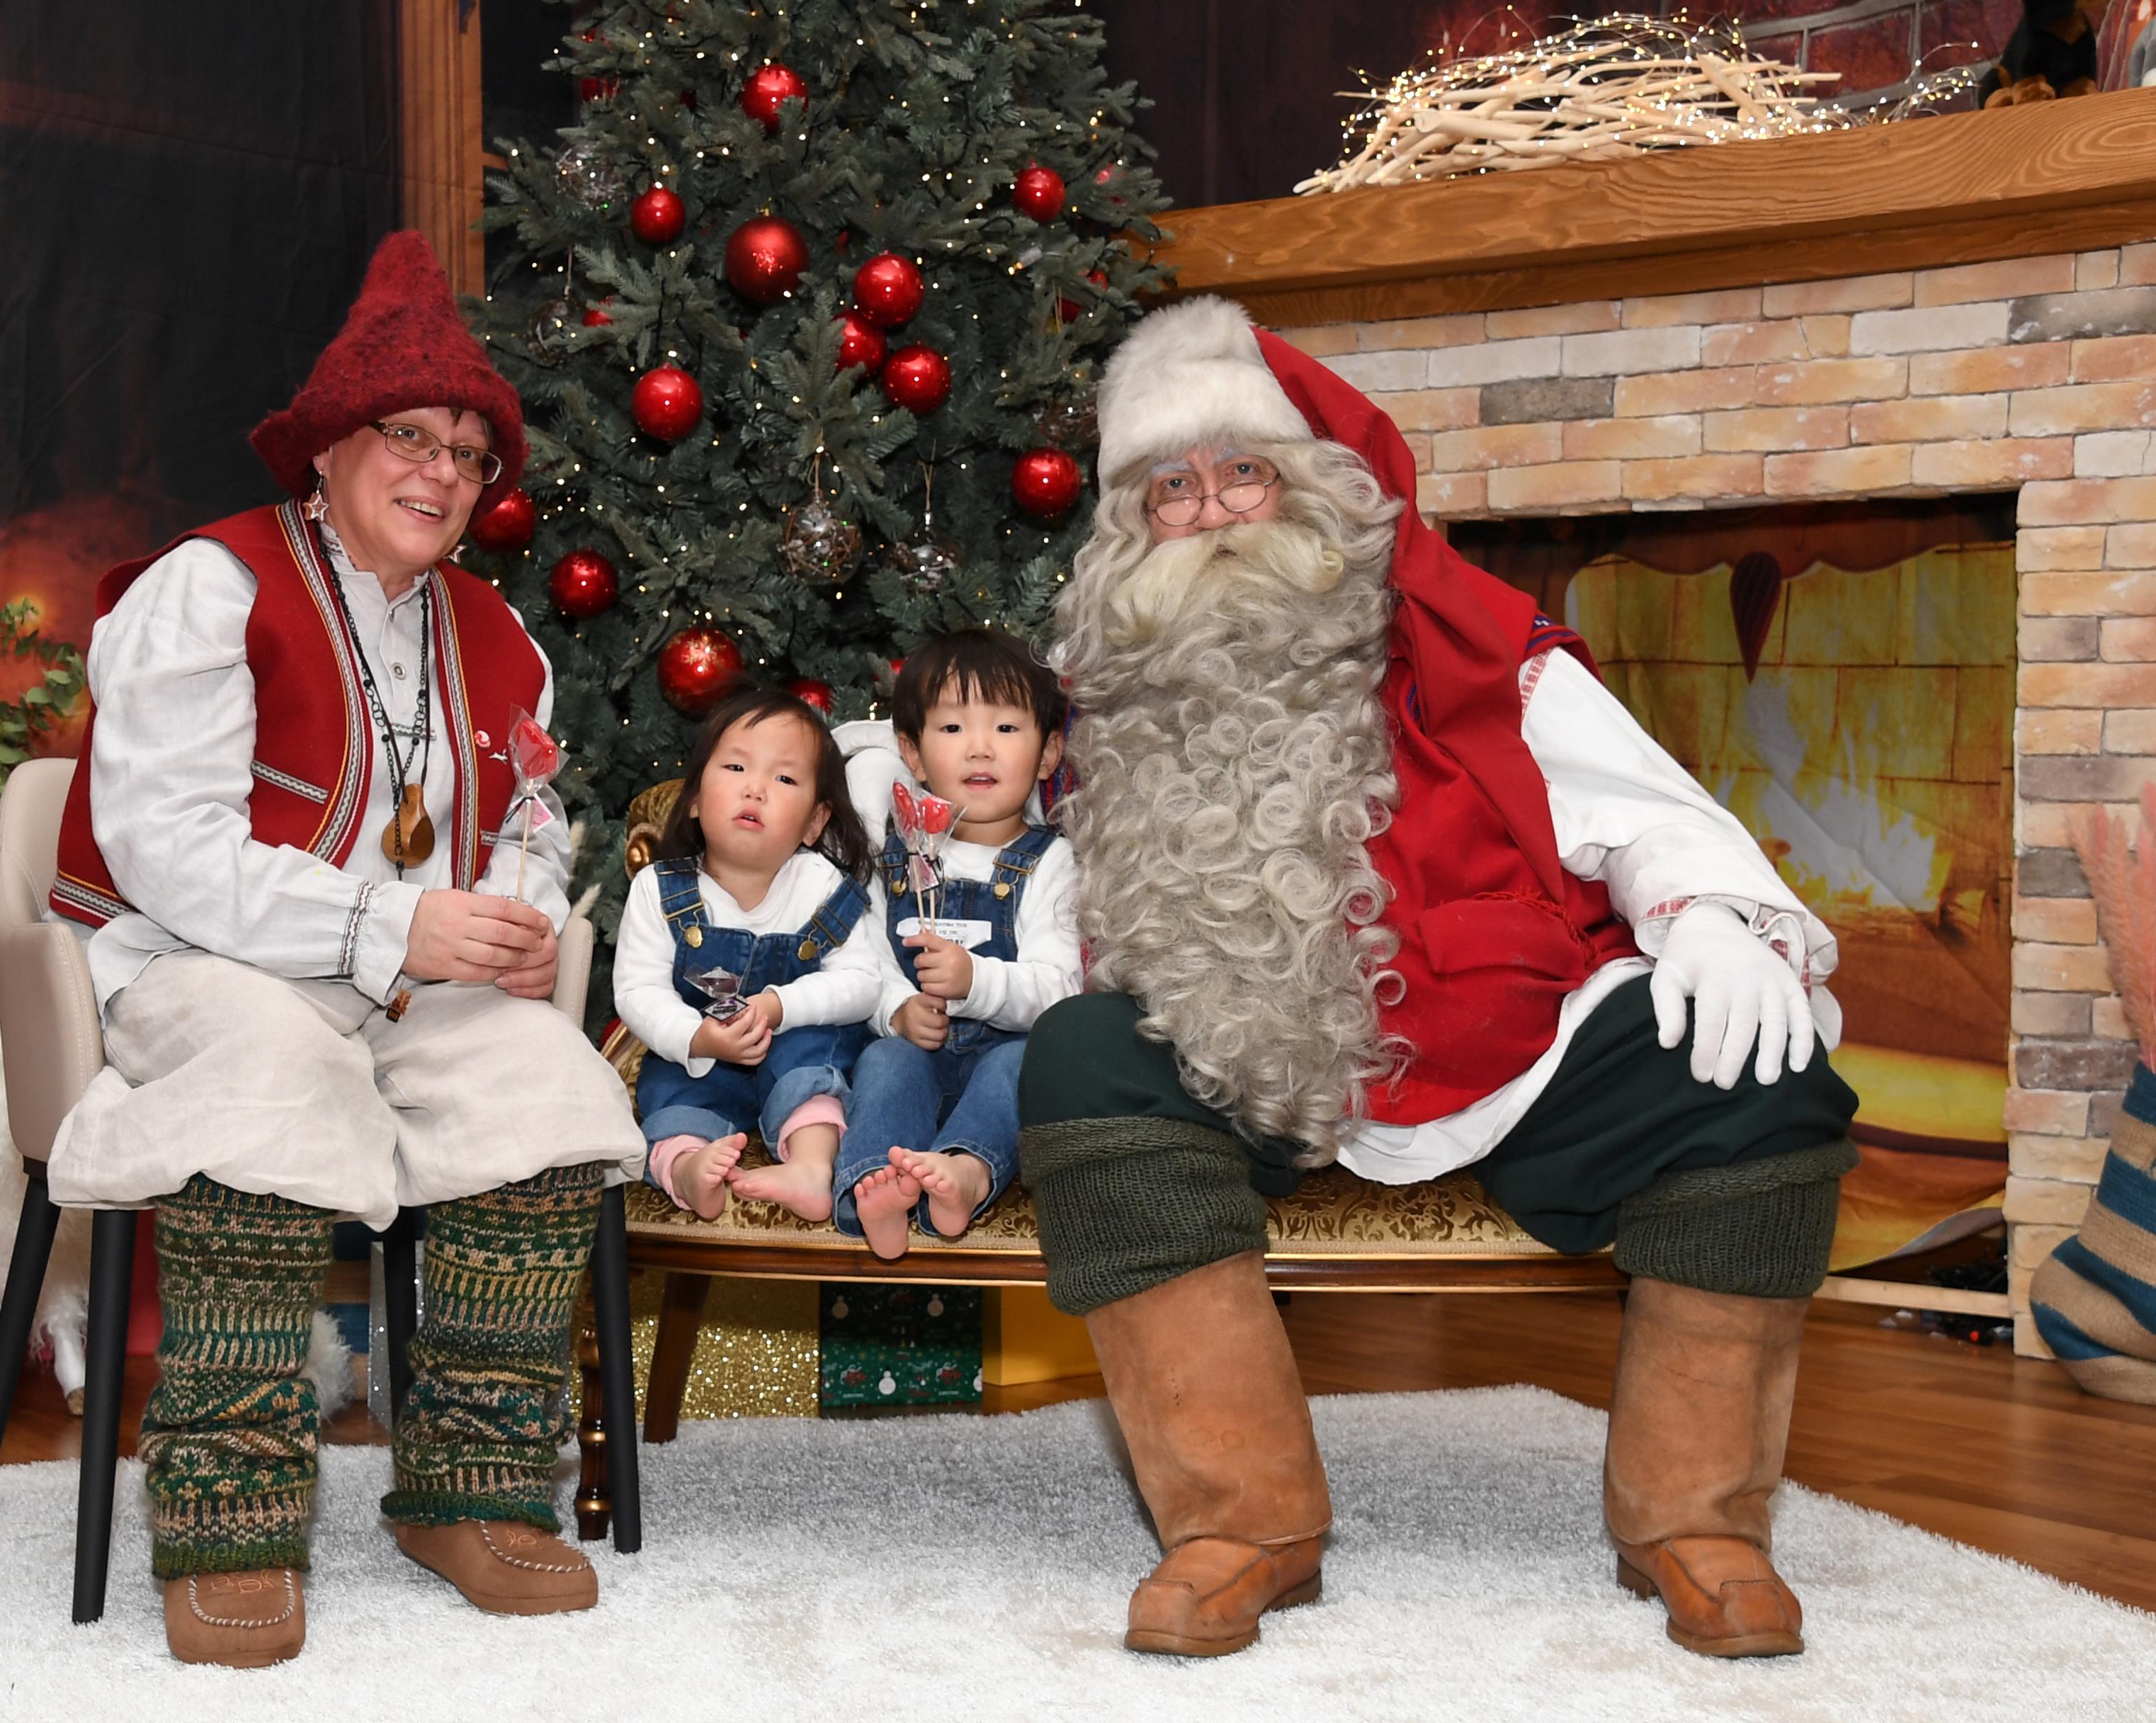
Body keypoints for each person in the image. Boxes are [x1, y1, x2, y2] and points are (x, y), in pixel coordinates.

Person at [1019, 297, 1859, 1661]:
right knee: (1083, 1061)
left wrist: (1709, 915)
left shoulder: (1476, 647)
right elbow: (1003, 862)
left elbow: (1637, 806)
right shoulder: (1100, 693)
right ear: (1131, 529)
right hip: (1244, 1057)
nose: (1216, 509)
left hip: (1515, 1050)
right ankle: (1238, 1523)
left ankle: (1696, 1520)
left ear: (1320, 490)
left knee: (1752, 1070)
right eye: (1171, 487)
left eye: (1246, 469)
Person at [40, 232, 641, 1667]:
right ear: (326, 451)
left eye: (470, 455)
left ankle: (471, 1493)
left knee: (550, 1093)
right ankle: (229, 1517)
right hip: (205, 965)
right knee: (266, 1081)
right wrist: (388, 921)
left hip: (410, 983)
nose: (440, 473)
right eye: (408, 437)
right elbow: (166, 848)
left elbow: (531, 827)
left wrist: (514, 916)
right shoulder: (208, 585)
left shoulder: (502, 637)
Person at [834, 631, 1079, 1260]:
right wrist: (895, 1009)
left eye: (1004, 728)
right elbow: (859, 958)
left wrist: (978, 982)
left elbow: (1061, 988)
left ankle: (966, 1170)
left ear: (1048, 753)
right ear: (912, 755)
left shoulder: (1051, 863)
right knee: (886, 1063)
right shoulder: (891, 857)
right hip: (916, 1051)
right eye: (951, 730)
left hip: (1002, 1055)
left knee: (1019, 1066)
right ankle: (875, 1184)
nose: (978, 748)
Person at [613, 687, 881, 1221]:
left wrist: (782, 1006)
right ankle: (688, 1167)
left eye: (784, 779)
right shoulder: (660, 890)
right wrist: (697, 1038)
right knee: (669, 1085)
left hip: (790, 1054)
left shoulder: (821, 886)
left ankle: (810, 1166)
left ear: (814, 822)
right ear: (694, 800)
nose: (755, 789)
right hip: (703, 1056)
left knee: (817, 1050)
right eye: (736, 768)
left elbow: (862, 982)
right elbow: (638, 990)